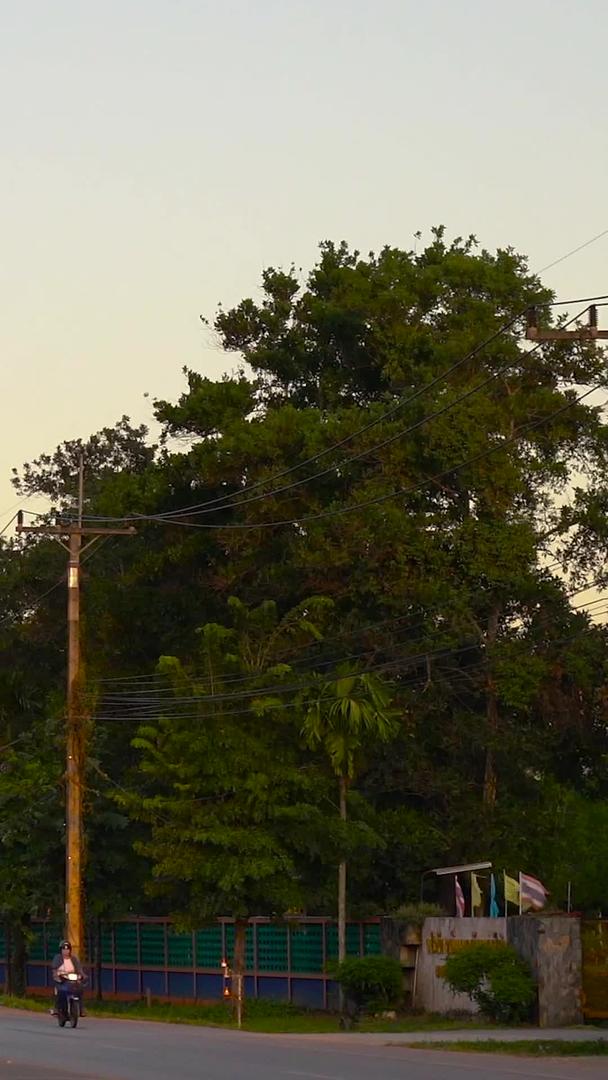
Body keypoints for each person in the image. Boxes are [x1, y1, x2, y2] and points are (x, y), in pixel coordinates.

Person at [51, 940, 87, 1018]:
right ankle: (56, 1008)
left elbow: (79, 969)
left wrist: (82, 976)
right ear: (61, 950)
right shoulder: (57, 958)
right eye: (63, 949)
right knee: (59, 991)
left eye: (67, 949)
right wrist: (57, 977)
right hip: (61, 980)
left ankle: (81, 1009)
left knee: (80, 989)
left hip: (72, 980)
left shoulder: (74, 959)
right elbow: (54, 970)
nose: (66, 951)